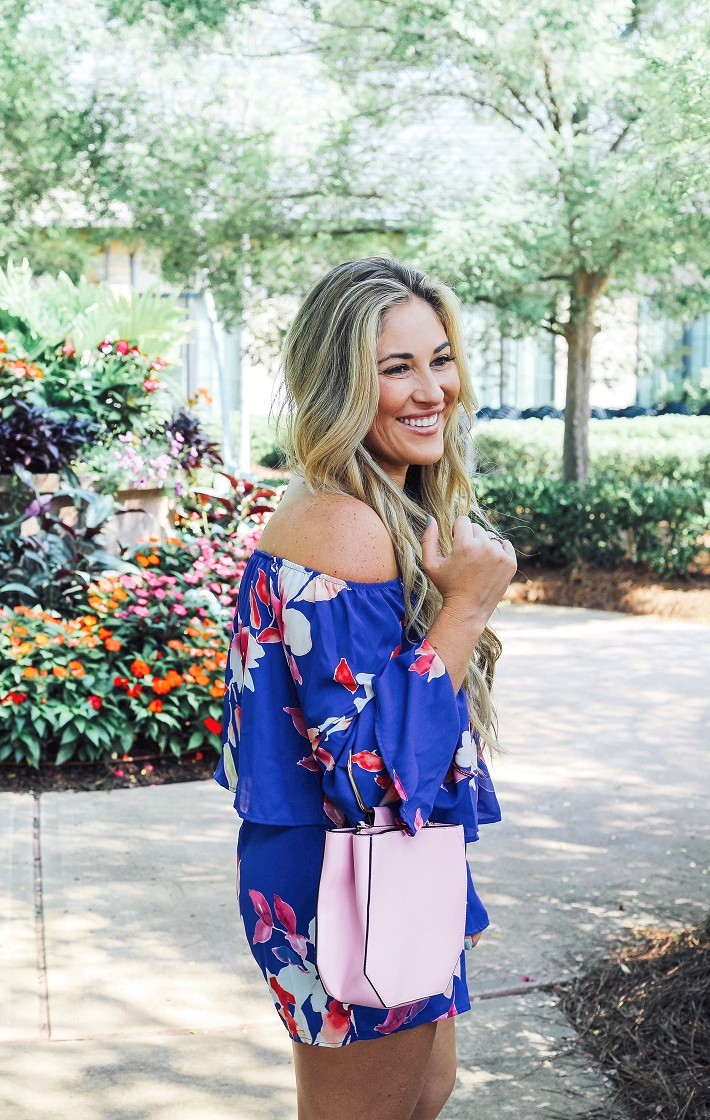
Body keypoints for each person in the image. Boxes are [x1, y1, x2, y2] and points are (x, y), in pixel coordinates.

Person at [214, 257, 516, 1120]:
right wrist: (464, 608)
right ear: (340, 384)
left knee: (424, 1093)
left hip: (389, 859)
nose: (432, 390)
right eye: (396, 368)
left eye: (441, 358)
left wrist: (454, 888)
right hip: (348, 871)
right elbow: (361, 771)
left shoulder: (372, 505)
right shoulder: (348, 527)